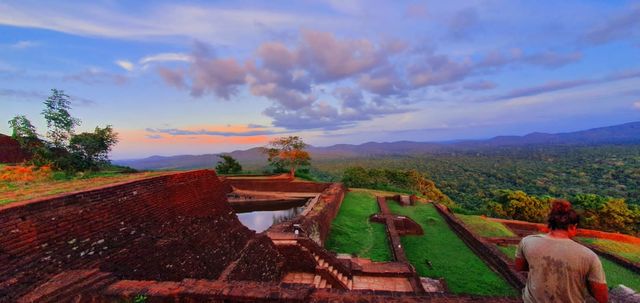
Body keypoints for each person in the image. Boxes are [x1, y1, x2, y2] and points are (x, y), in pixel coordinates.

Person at [514, 200, 608, 303]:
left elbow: (520, 267)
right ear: (572, 226)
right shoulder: (589, 256)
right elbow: (601, 297)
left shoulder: (527, 241)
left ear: (550, 223)